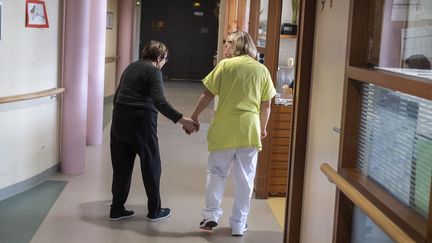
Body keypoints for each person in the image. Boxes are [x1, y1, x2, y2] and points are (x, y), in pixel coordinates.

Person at [190, 31, 276, 236]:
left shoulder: (225, 66)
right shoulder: (262, 70)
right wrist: (263, 127)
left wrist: (194, 116)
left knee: (217, 173)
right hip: (249, 129)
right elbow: (267, 105)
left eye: (228, 43)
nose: (225, 47)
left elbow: (207, 94)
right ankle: (238, 223)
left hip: (225, 128)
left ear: (237, 45)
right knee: (245, 178)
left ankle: (210, 217)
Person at [109, 40, 197, 222]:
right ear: (159, 58)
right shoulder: (154, 71)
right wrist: (183, 120)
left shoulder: (130, 67)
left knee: (121, 167)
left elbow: (116, 96)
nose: (164, 63)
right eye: (165, 60)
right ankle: (154, 210)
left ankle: (116, 209)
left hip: (119, 119)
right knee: (151, 164)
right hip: (141, 121)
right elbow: (160, 102)